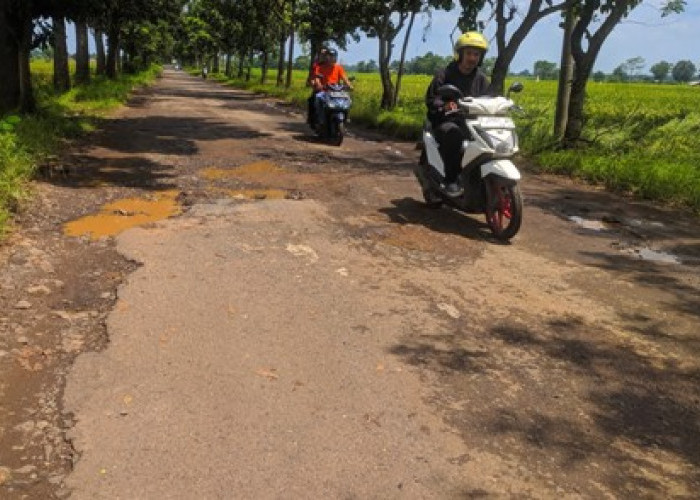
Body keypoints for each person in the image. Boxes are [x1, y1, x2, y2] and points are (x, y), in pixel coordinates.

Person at [425, 31, 491, 196]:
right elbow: (433, 100)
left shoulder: (481, 79)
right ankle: (451, 179)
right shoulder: (445, 74)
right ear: (460, 54)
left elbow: (489, 99)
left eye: (476, 54)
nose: (472, 58)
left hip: (473, 123)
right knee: (454, 134)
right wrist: (446, 106)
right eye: (469, 53)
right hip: (446, 121)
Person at [307, 47, 354, 129]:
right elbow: (317, 78)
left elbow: (345, 78)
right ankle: (320, 120)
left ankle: (346, 116)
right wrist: (319, 85)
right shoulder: (320, 67)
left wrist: (349, 85)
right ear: (326, 57)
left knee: (348, 99)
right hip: (324, 91)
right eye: (330, 56)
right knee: (318, 99)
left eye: (333, 56)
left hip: (336, 91)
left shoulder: (339, 68)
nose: (331, 58)